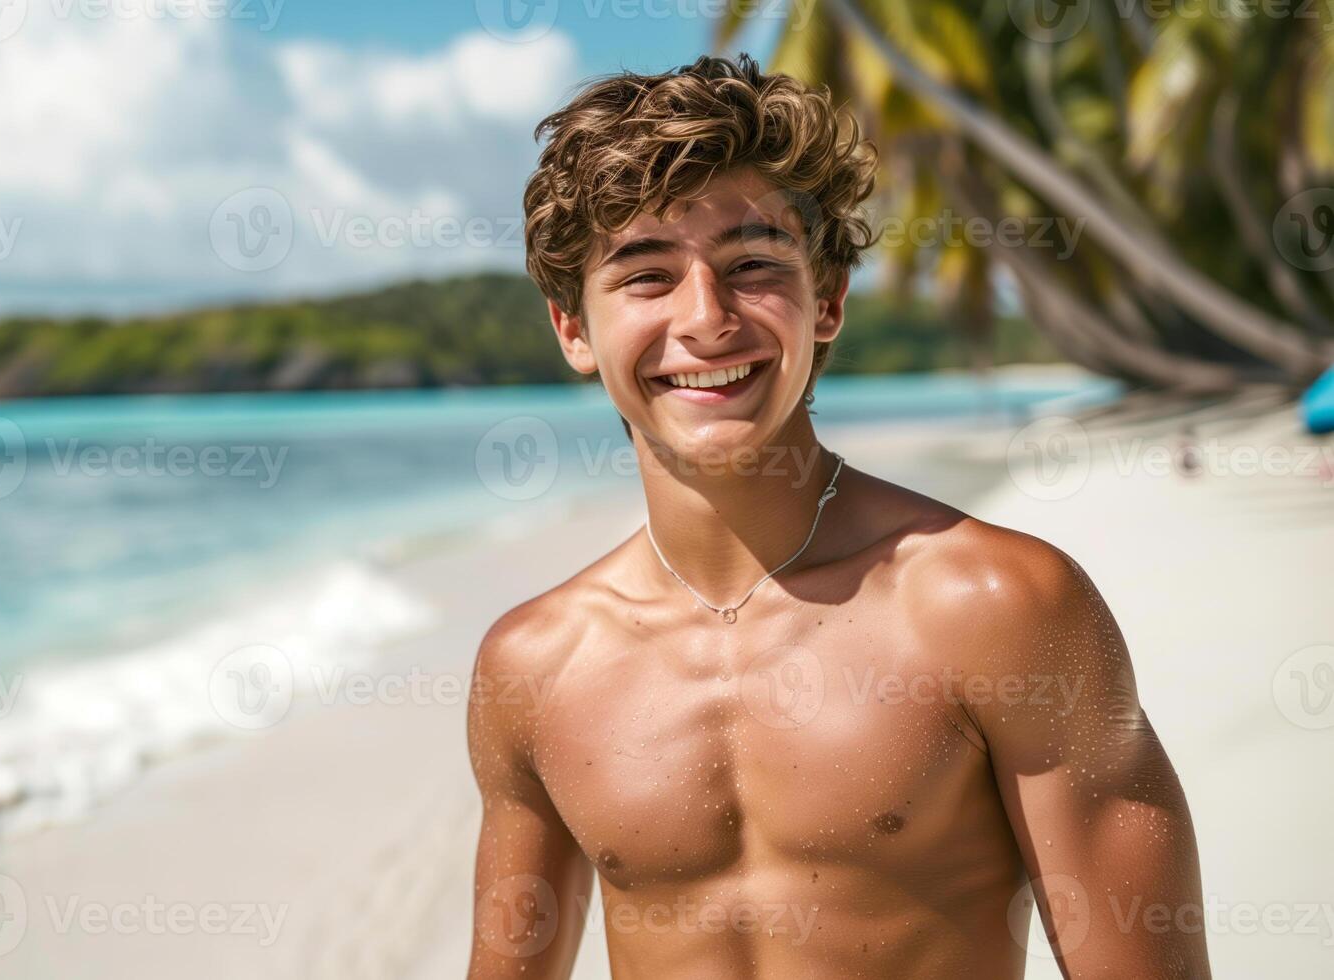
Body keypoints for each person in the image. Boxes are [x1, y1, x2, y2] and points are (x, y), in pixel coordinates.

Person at [466, 56, 1210, 978]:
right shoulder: (533, 668)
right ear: (573, 329)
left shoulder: (997, 608)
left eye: (749, 266)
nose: (704, 320)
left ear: (826, 302)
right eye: (647, 277)